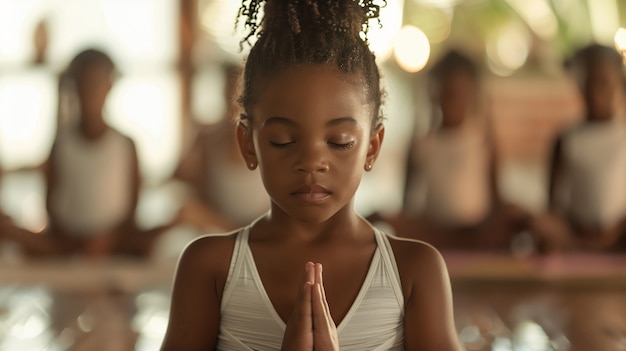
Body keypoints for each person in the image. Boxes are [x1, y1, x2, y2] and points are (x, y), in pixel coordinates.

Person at [161, 0, 461, 350]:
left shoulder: (414, 272)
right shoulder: (210, 268)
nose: (312, 162)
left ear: (372, 146)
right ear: (248, 144)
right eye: (283, 141)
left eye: (340, 141)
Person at [3, 48, 170, 258]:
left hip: (116, 244)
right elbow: (51, 206)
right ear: (74, 86)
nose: (91, 91)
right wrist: (75, 240)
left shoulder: (126, 145)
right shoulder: (60, 145)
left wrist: (107, 240)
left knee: (155, 238)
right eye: (85, 83)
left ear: (109, 86)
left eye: (97, 83)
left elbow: (132, 211)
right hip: (67, 245)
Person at [370, 50, 524, 251]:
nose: (452, 100)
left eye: (459, 93)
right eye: (446, 93)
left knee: (515, 215)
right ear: (434, 94)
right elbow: (407, 203)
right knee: (388, 219)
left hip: (477, 232)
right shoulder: (423, 144)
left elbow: (497, 196)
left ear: (472, 95)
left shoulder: (482, 139)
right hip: (434, 230)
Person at [535, 43, 626, 252]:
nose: (596, 93)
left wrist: (614, 232)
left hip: (620, 235)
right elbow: (552, 204)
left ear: (619, 83)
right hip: (575, 234)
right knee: (538, 224)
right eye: (588, 84)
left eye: (604, 83)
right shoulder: (566, 139)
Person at [174, 63, 269, 233]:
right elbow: (183, 180)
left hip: (262, 227)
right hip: (219, 226)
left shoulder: (269, 136)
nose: (234, 100)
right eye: (229, 91)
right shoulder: (207, 138)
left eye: (240, 94)